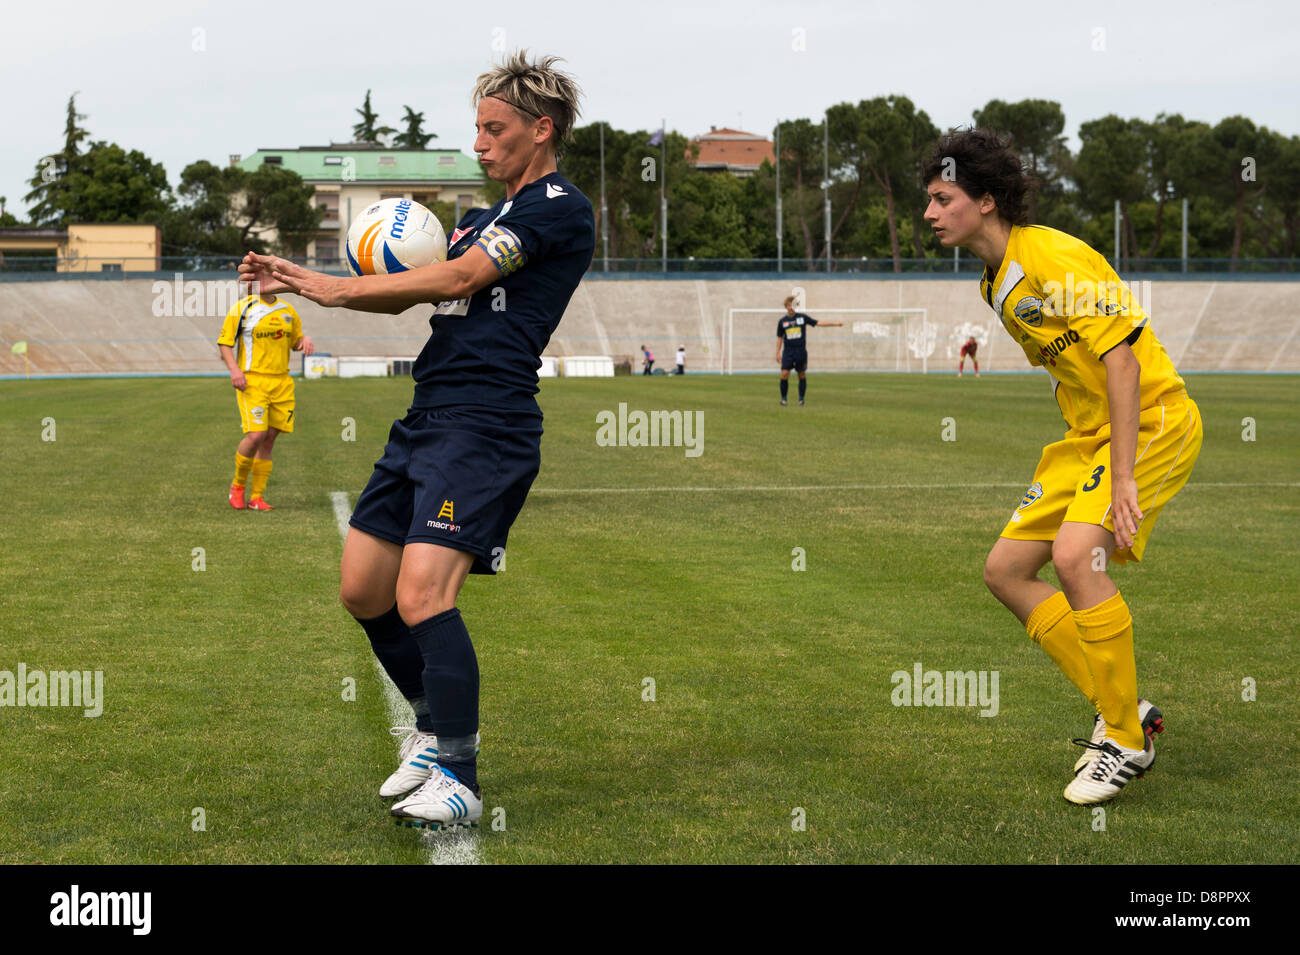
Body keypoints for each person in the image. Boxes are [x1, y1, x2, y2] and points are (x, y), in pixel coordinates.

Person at [237, 52, 594, 829]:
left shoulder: (560, 206)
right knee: (364, 588)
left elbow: (463, 280)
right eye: (477, 128)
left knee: (424, 593)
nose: (481, 142)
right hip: (429, 412)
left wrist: (327, 285)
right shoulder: (477, 218)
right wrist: (307, 278)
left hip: (487, 420)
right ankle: (433, 733)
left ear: (542, 129)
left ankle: (460, 773)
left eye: (495, 129)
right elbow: (410, 295)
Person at [922, 128, 1201, 805]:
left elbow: (1123, 360)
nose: (928, 213)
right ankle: (1126, 709)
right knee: (1006, 570)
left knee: (1078, 557)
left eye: (941, 198)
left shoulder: (1054, 256)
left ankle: (1126, 740)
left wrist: (1126, 474)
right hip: (1085, 440)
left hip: (1149, 421)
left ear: (985, 201)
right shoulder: (995, 283)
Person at [217, 289, 314, 511]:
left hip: (282, 382)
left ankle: (257, 497)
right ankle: (238, 486)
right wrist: (234, 370)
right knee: (256, 435)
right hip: (252, 380)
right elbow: (225, 343)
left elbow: (295, 342)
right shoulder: (242, 308)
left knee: (269, 438)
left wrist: (304, 340)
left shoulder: (288, 310)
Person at [776, 295, 841, 405]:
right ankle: (784, 399)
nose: (791, 307)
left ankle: (801, 400)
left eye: (794, 305)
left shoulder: (802, 318)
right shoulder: (782, 321)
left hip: (800, 352)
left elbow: (818, 323)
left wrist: (834, 324)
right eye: (789, 305)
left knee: (801, 374)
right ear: (786, 307)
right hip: (788, 352)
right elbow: (779, 338)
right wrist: (777, 352)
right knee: (784, 374)